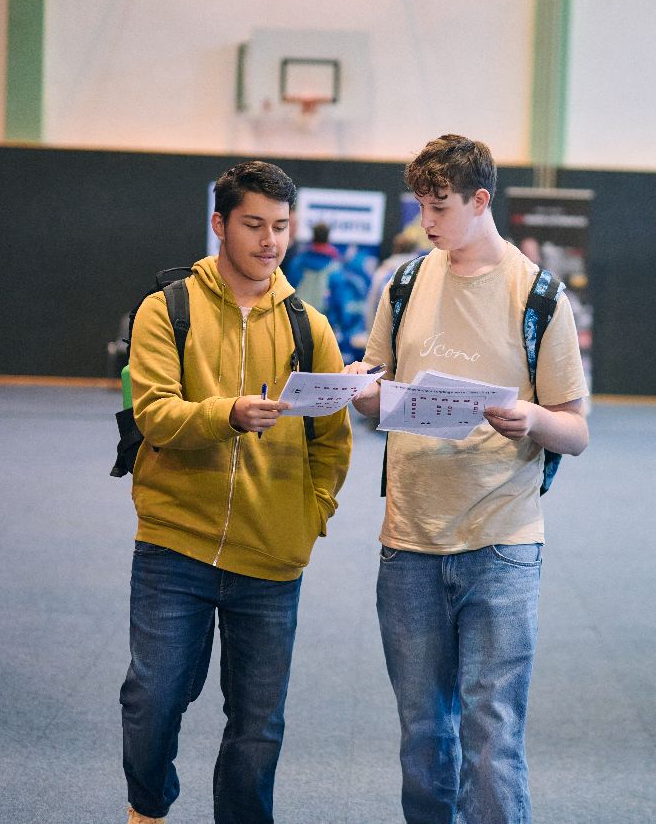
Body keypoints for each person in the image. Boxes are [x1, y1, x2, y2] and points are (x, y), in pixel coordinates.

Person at [346, 135, 590, 823]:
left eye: (440, 206)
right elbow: (375, 390)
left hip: (502, 543)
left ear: (481, 201)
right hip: (409, 542)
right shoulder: (403, 283)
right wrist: (360, 390)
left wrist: (532, 418)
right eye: (420, 206)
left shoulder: (537, 295)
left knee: (493, 735)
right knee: (423, 734)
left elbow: (576, 431)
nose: (426, 221)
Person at [119, 161, 353, 824]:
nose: (270, 240)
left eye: (281, 225)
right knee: (152, 698)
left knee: (257, 726)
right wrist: (229, 414)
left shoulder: (311, 327)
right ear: (220, 224)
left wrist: (311, 514)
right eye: (254, 225)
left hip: (272, 556)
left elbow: (332, 439)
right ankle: (148, 807)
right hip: (175, 545)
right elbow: (154, 414)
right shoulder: (167, 308)